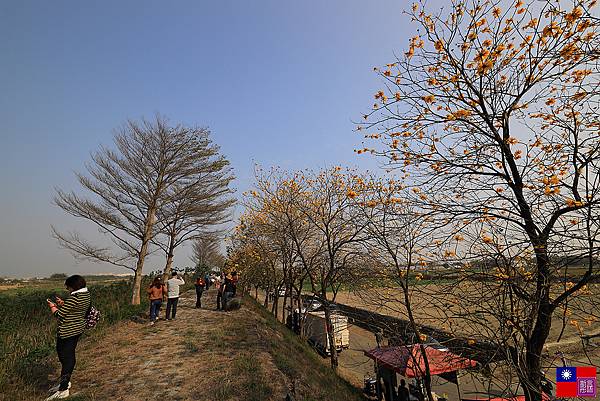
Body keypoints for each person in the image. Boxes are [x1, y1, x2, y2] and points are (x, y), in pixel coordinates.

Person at [46, 275, 91, 400]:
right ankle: (65, 381)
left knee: (66, 357)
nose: (67, 289)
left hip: (67, 331)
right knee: (66, 355)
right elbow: (77, 308)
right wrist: (64, 303)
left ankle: (63, 389)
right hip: (77, 329)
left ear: (74, 286)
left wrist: (52, 306)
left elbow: (59, 315)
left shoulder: (74, 298)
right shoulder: (86, 295)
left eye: (68, 286)